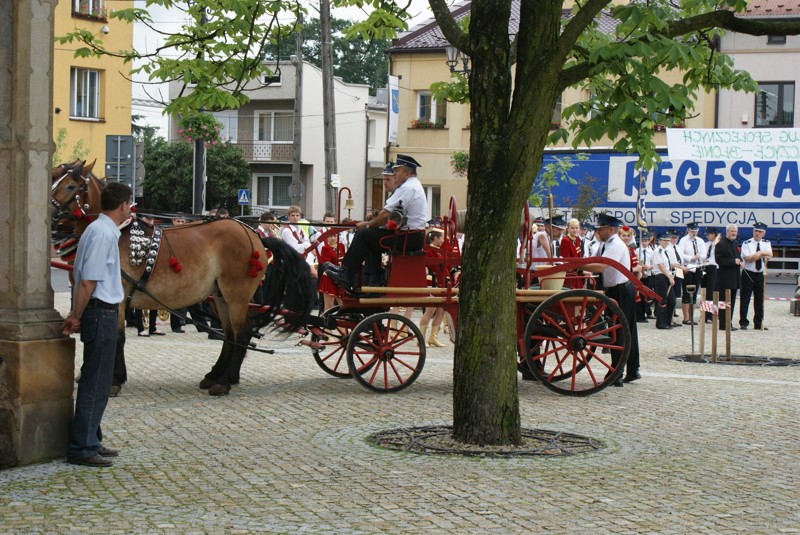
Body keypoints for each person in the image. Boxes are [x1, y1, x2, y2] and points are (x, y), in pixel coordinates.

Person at [61, 182, 132, 467]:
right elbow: (88, 281)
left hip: (101, 311)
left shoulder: (98, 229)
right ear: (123, 205)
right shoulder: (103, 233)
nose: (130, 208)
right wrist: (76, 315)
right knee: (95, 381)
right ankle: (83, 447)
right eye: (129, 204)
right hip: (100, 312)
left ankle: (91, 437)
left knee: (99, 381)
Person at [326, 155, 428, 291]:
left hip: (408, 237)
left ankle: (347, 274)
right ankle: (372, 281)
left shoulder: (407, 188)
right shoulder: (412, 185)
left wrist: (367, 224)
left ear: (407, 173)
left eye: (397, 171)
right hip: (411, 236)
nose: (394, 174)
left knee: (363, 235)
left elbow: (385, 215)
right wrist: (375, 219)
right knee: (371, 238)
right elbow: (390, 214)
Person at [582, 213, 640, 386]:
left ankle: (617, 373)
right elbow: (595, 260)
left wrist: (577, 265)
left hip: (621, 290)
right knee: (626, 330)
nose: (598, 231)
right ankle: (632, 369)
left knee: (620, 331)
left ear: (611, 229)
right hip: (615, 289)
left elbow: (601, 266)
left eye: (601, 229)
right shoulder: (606, 244)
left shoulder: (615, 245)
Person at [739, 222, 773, 330]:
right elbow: (748, 258)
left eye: (760, 232)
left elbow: (770, 254)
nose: (757, 233)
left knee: (759, 300)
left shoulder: (766, 243)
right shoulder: (747, 243)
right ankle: (743, 322)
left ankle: (758, 323)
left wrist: (759, 253)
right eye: (756, 231)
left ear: (764, 233)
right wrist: (761, 254)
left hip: (760, 274)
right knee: (745, 299)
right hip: (748, 273)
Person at [418, 228, 448, 347]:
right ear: (435, 238)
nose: (443, 240)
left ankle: (433, 337)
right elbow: (433, 266)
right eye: (441, 237)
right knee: (430, 311)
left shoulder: (438, 251)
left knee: (441, 311)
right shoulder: (429, 250)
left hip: (441, 283)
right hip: (433, 283)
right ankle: (421, 339)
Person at [677, 222, 706, 325]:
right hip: (687, 268)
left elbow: (703, 253)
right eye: (692, 231)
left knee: (694, 292)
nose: (694, 233)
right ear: (688, 230)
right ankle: (686, 317)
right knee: (686, 292)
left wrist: (699, 257)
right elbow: (680, 254)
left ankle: (691, 316)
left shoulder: (700, 241)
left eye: (696, 231)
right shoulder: (683, 240)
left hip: (697, 267)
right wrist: (691, 258)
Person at [715, 223, 742, 331]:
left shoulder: (736, 243)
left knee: (732, 302)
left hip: (734, 278)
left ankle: (729, 322)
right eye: (732, 231)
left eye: (735, 231)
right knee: (723, 302)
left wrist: (741, 262)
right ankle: (723, 324)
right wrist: (733, 261)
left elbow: (738, 257)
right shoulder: (720, 244)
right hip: (725, 278)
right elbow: (719, 260)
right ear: (727, 232)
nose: (734, 233)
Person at [281, 205, 318, 278]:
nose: (295, 217)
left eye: (297, 215)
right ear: (289, 217)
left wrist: (306, 245)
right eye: (293, 215)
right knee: (314, 274)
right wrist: (305, 245)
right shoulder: (287, 230)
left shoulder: (300, 228)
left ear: (300, 216)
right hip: (292, 260)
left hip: (303, 258)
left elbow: (307, 242)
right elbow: (295, 248)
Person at [653, 233, 677, 329]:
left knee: (672, 300)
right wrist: (669, 277)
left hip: (667, 276)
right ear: (660, 241)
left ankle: (668, 321)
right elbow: (661, 266)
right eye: (664, 240)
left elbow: (668, 265)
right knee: (662, 301)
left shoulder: (666, 251)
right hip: (661, 277)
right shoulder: (657, 251)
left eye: (667, 240)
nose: (666, 242)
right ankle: (661, 323)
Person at [559, 218, 585, 289]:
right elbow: (565, 261)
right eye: (572, 228)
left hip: (577, 273)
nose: (575, 230)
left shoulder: (577, 239)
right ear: (568, 229)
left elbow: (579, 257)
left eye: (576, 228)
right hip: (570, 275)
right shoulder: (565, 240)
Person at [701, 227, 720, 324]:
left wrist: (717, 240)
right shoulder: (706, 244)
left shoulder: (718, 245)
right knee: (704, 292)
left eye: (709, 234)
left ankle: (711, 314)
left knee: (712, 292)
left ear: (714, 234)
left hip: (714, 268)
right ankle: (705, 314)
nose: (707, 236)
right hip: (705, 267)